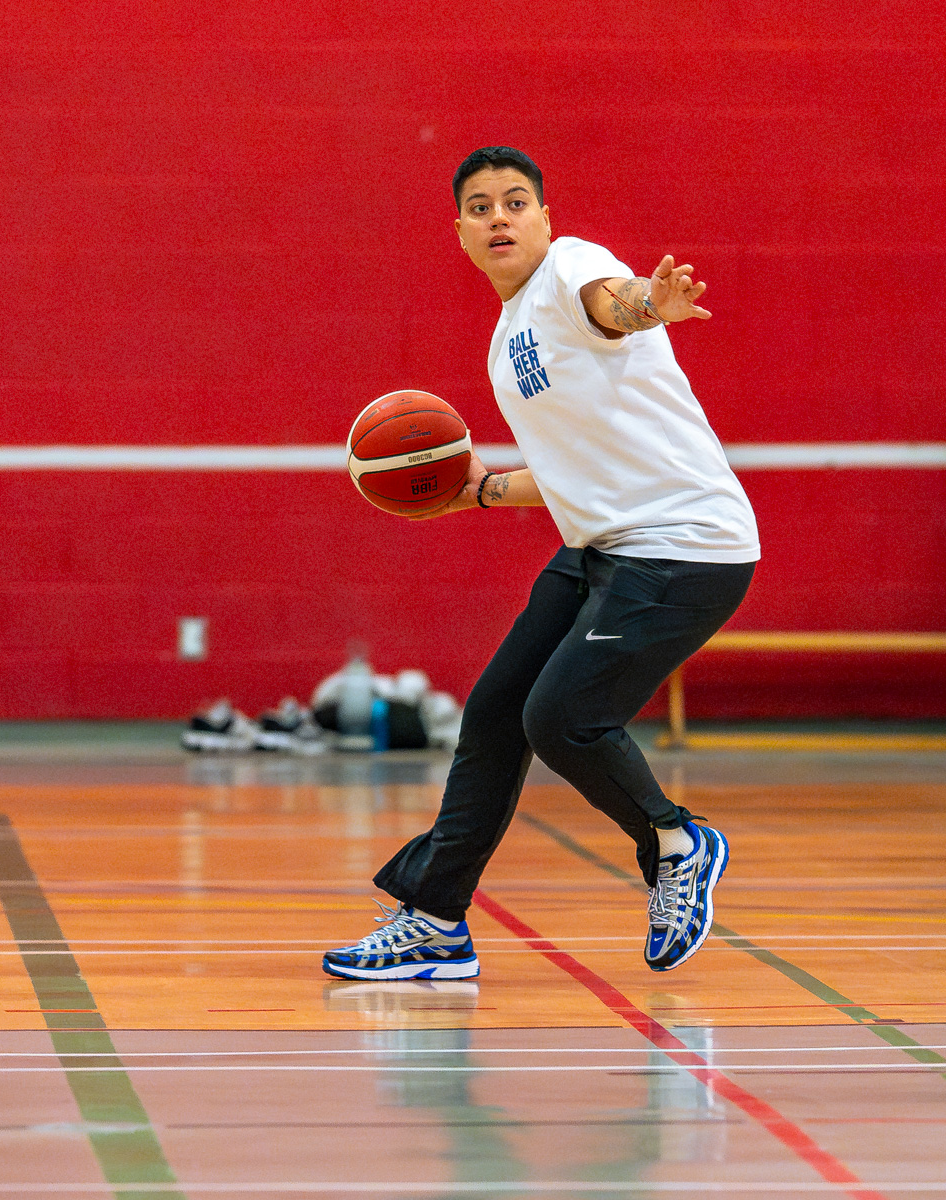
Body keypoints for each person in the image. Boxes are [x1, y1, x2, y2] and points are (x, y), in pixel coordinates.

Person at [321, 148, 759, 982]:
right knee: (492, 713)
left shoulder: (572, 267)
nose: (499, 217)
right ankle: (436, 922)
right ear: (459, 233)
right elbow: (569, 472)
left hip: (683, 547)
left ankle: (676, 841)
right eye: (480, 207)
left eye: (515, 202)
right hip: (600, 543)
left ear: (544, 219)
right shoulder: (504, 347)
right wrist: (480, 491)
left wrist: (647, 304)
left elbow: (613, 306)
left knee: (558, 718)